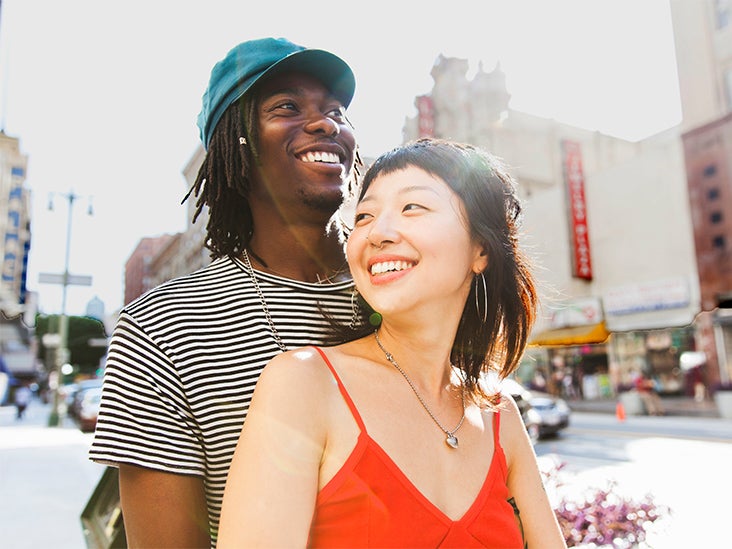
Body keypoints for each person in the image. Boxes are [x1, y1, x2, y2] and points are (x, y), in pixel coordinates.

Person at [218, 139, 567, 548]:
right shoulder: (306, 383)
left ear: (481, 249)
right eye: (363, 216)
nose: (377, 233)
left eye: (412, 207)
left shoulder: (499, 413)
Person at [89, 37, 360, 547]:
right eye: (286, 106)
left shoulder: (406, 284)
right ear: (236, 142)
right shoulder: (160, 329)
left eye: (336, 111)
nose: (328, 123)